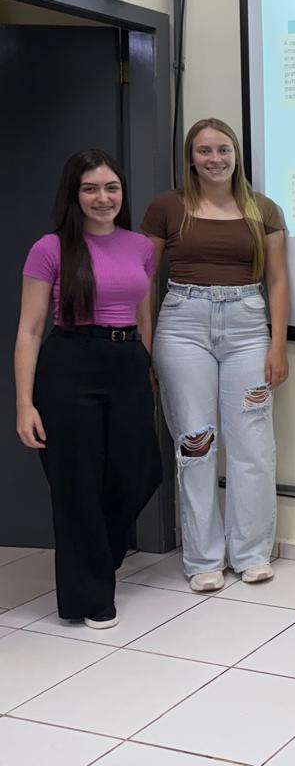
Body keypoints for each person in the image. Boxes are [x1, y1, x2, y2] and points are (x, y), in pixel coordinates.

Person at [14, 150, 161, 629]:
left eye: (111, 187)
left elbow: (143, 316)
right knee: (76, 484)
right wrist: (24, 404)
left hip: (127, 362)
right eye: (91, 189)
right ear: (74, 195)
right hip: (70, 363)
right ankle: (90, 599)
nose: (103, 198)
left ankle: (94, 560)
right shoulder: (50, 248)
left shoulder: (140, 246)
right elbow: (29, 330)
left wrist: (147, 366)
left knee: (141, 472)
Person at [143, 118, 290, 593]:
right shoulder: (167, 208)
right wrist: (145, 347)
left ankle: (251, 554)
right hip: (183, 326)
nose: (215, 159)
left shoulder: (263, 209)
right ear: (190, 158)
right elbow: (143, 280)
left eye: (223, 149)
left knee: (253, 446)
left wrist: (278, 343)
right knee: (196, 442)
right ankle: (203, 558)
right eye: (204, 151)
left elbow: (278, 280)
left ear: (236, 154)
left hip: (248, 328)